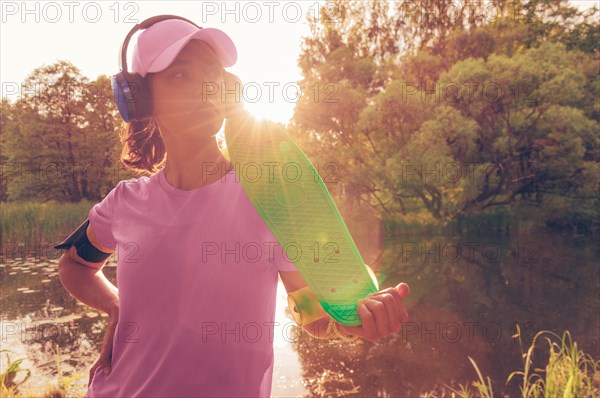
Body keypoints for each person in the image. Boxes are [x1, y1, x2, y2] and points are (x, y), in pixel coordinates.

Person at [54, 16, 411, 397]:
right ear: (138, 98)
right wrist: (115, 307)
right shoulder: (124, 203)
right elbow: (75, 264)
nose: (205, 91)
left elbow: (313, 315)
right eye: (180, 76)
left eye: (213, 77)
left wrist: (350, 321)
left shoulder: (267, 195)